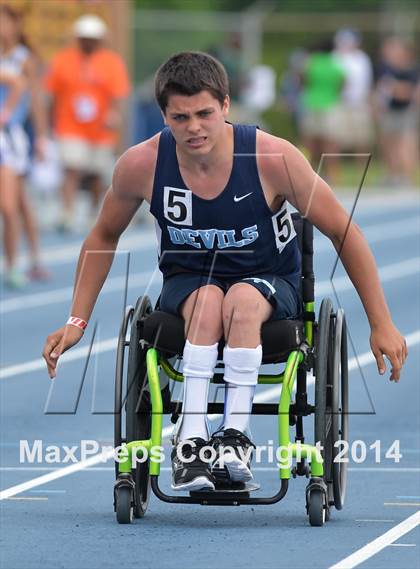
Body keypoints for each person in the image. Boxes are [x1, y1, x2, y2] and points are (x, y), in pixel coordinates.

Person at [42, 52, 407, 493]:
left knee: (241, 300)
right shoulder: (142, 164)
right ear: (164, 115)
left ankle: (234, 439)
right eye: (180, 117)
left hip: (270, 280)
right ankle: (191, 441)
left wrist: (381, 323)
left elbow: (345, 233)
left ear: (226, 106)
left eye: (204, 114)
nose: (194, 127)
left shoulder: (273, 157)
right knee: (211, 299)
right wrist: (76, 320)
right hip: (190, 282)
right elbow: (102, 234)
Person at [44, 14, 131, 232]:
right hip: (69, 125)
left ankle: (94, 212)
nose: (88, 42)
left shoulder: (111, 62)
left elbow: (119, 96)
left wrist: (116, 118)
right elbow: (51, 94)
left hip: (100, 129)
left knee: (97, 173)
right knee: (71, 168)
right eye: (84, 38)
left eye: (92, 38)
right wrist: (47, 126)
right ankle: (67, 212)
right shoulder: (63, 60)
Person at [0, 3, 50, 289]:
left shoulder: (24, 58)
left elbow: (34, 102)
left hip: (11, 137)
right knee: (18, 202)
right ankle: (28, 258)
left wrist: (41, 137)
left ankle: (21, 261)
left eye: (5, 22)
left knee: (13, 206)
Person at [374, 37, 419, 187]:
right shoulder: (388, 70)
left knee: (406, 145)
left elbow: (409, 92)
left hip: (405, 111)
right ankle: (393, 175)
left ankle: (406, 177)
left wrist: (395, 88)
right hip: (389, 111)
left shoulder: (412, 70)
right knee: (389, 144)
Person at [301, 38, 345, 184]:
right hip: (331, 103)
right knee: (330, 142)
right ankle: (332, 174)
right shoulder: (335, 64)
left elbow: (303, 79)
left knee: (310, 141)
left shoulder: (312, 62)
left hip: (311, 102)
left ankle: (307, 172)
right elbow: (343, 82)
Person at [333, 28, 374, 153]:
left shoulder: (362, 58)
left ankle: (363, 167)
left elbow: (368, 82)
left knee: (362, 138)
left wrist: (369, 101)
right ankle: (335, 169)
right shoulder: (334, 57)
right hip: (338, 102)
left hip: (359, 102)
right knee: (336, 136)